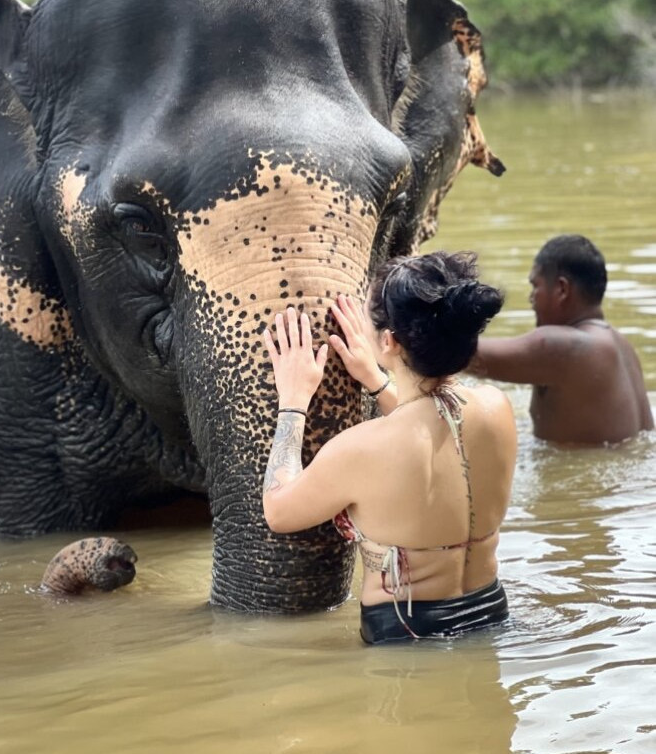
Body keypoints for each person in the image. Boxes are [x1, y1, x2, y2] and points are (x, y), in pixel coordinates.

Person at [260, 251, 516, 643]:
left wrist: (293, 402)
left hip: (407, 634)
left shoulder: (364, 447)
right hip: (492, 610)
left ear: (389, 340)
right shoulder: (497, 408)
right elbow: (433, 429)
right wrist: (378, 380)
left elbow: (279, 510)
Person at [470, 235, 653, 444]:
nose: (531, 299)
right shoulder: (623, 346)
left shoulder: (564, 346)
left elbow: (460, 352)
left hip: (584, 474)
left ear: (562, 289)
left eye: (535, 286)